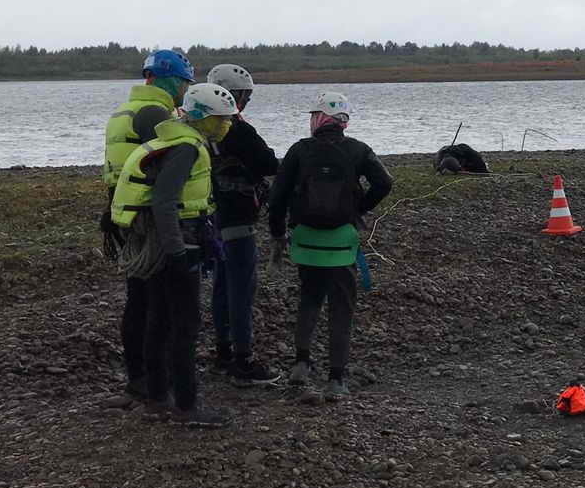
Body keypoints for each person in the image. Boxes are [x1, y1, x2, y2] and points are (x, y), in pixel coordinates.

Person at [111, 81, 238, 428]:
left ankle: (156, 397)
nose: (225, 126)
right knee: (184, 325)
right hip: (177, 242)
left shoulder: (171, 140)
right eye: (219, 120)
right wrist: (178, 252)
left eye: (228, 120)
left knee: (159, 320)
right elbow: (164, 201)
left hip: (157, 242)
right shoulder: (186, 148)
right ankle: (186, 404)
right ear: (201, 118)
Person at [268, 91, 393, 401]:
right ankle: (336, 380)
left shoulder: (299, 150)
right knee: (341, 308)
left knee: (309, 298)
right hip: (341, 242)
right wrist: (358, 210)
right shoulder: (359, 150)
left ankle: (300, 363)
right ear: (343, 122)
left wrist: (277, 235)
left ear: (317, 118)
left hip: (306, 240)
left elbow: (277, 198)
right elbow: (385, 183)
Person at [101, 48, 194, 402]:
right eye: (185, 83)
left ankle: (138, 374)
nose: (185, 90)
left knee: (137, 295)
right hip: (147, 217)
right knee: (154, 299)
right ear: (170, 79)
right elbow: (171, 162)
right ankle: (152, 380)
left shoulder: (125, 110)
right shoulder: (154, 113)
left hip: (123, 210)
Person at [205, 63, 279, 383]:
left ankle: (223, 350)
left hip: (210, 216)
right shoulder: (238, 130)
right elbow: (265, 161)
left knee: (222, 283)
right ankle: (243, 360)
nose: (245, 102)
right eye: (243, 96)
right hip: (237, 217)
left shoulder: (199, 127)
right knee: (241, 286)